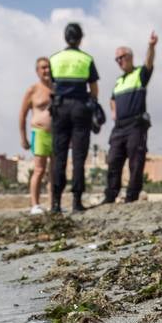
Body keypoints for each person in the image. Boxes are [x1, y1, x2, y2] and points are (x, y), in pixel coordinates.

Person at [103, 31, 158, 204]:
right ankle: (110, 196)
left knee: (136, 161)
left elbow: (149, 63)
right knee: (113, 161)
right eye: (116, 59)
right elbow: (112, 99)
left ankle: (131, 197)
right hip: (119, 127)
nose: (119, 61)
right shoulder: (119, 81)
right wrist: (113, 112)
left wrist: (151, 46)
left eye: (122, 57)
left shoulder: (140, 75)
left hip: (136, 125)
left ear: (130, 57)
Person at [49, 23, 99, 213]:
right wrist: (92, 105)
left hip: (60, 108)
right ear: (80, 38)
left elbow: (52, 87)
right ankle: (77, 202)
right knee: (79, 157)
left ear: (65, 38)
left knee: (59, 157)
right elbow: (94, 90)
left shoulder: (55, 59)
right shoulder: (86, 59)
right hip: (80, 108)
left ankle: (56, 204)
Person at [19, 56, 53, 215]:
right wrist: (23, 137)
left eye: (48, 67)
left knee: (55, 171)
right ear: (37, 71)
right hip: (39, 133)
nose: (46, 70)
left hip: (57, 134)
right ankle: (35, 205)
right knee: (39, 170)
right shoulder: (32, 90)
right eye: (43, 67)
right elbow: (22, 114)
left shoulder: (58, 88)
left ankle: (54, 203)